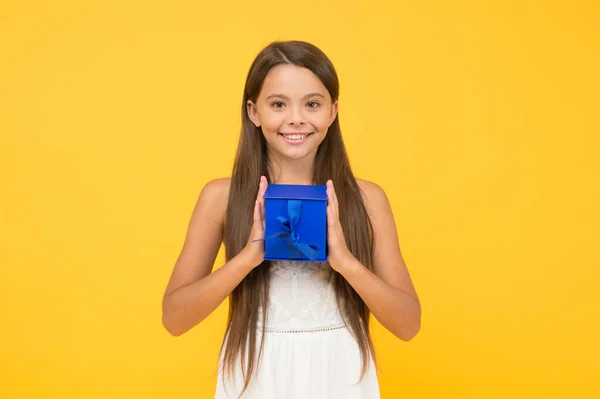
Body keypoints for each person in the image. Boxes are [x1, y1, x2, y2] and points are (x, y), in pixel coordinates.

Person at [161, 40, 421, 399]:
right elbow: (175, 319)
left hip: (340, 373)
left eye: (312, 104)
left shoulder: (367, 199)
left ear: (333, 111)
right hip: (256, 374)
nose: (296, 118)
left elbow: (408, 324)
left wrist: (345, 262)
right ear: (253, 112)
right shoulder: (221, 197)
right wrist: (249, 257)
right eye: (279, 104)